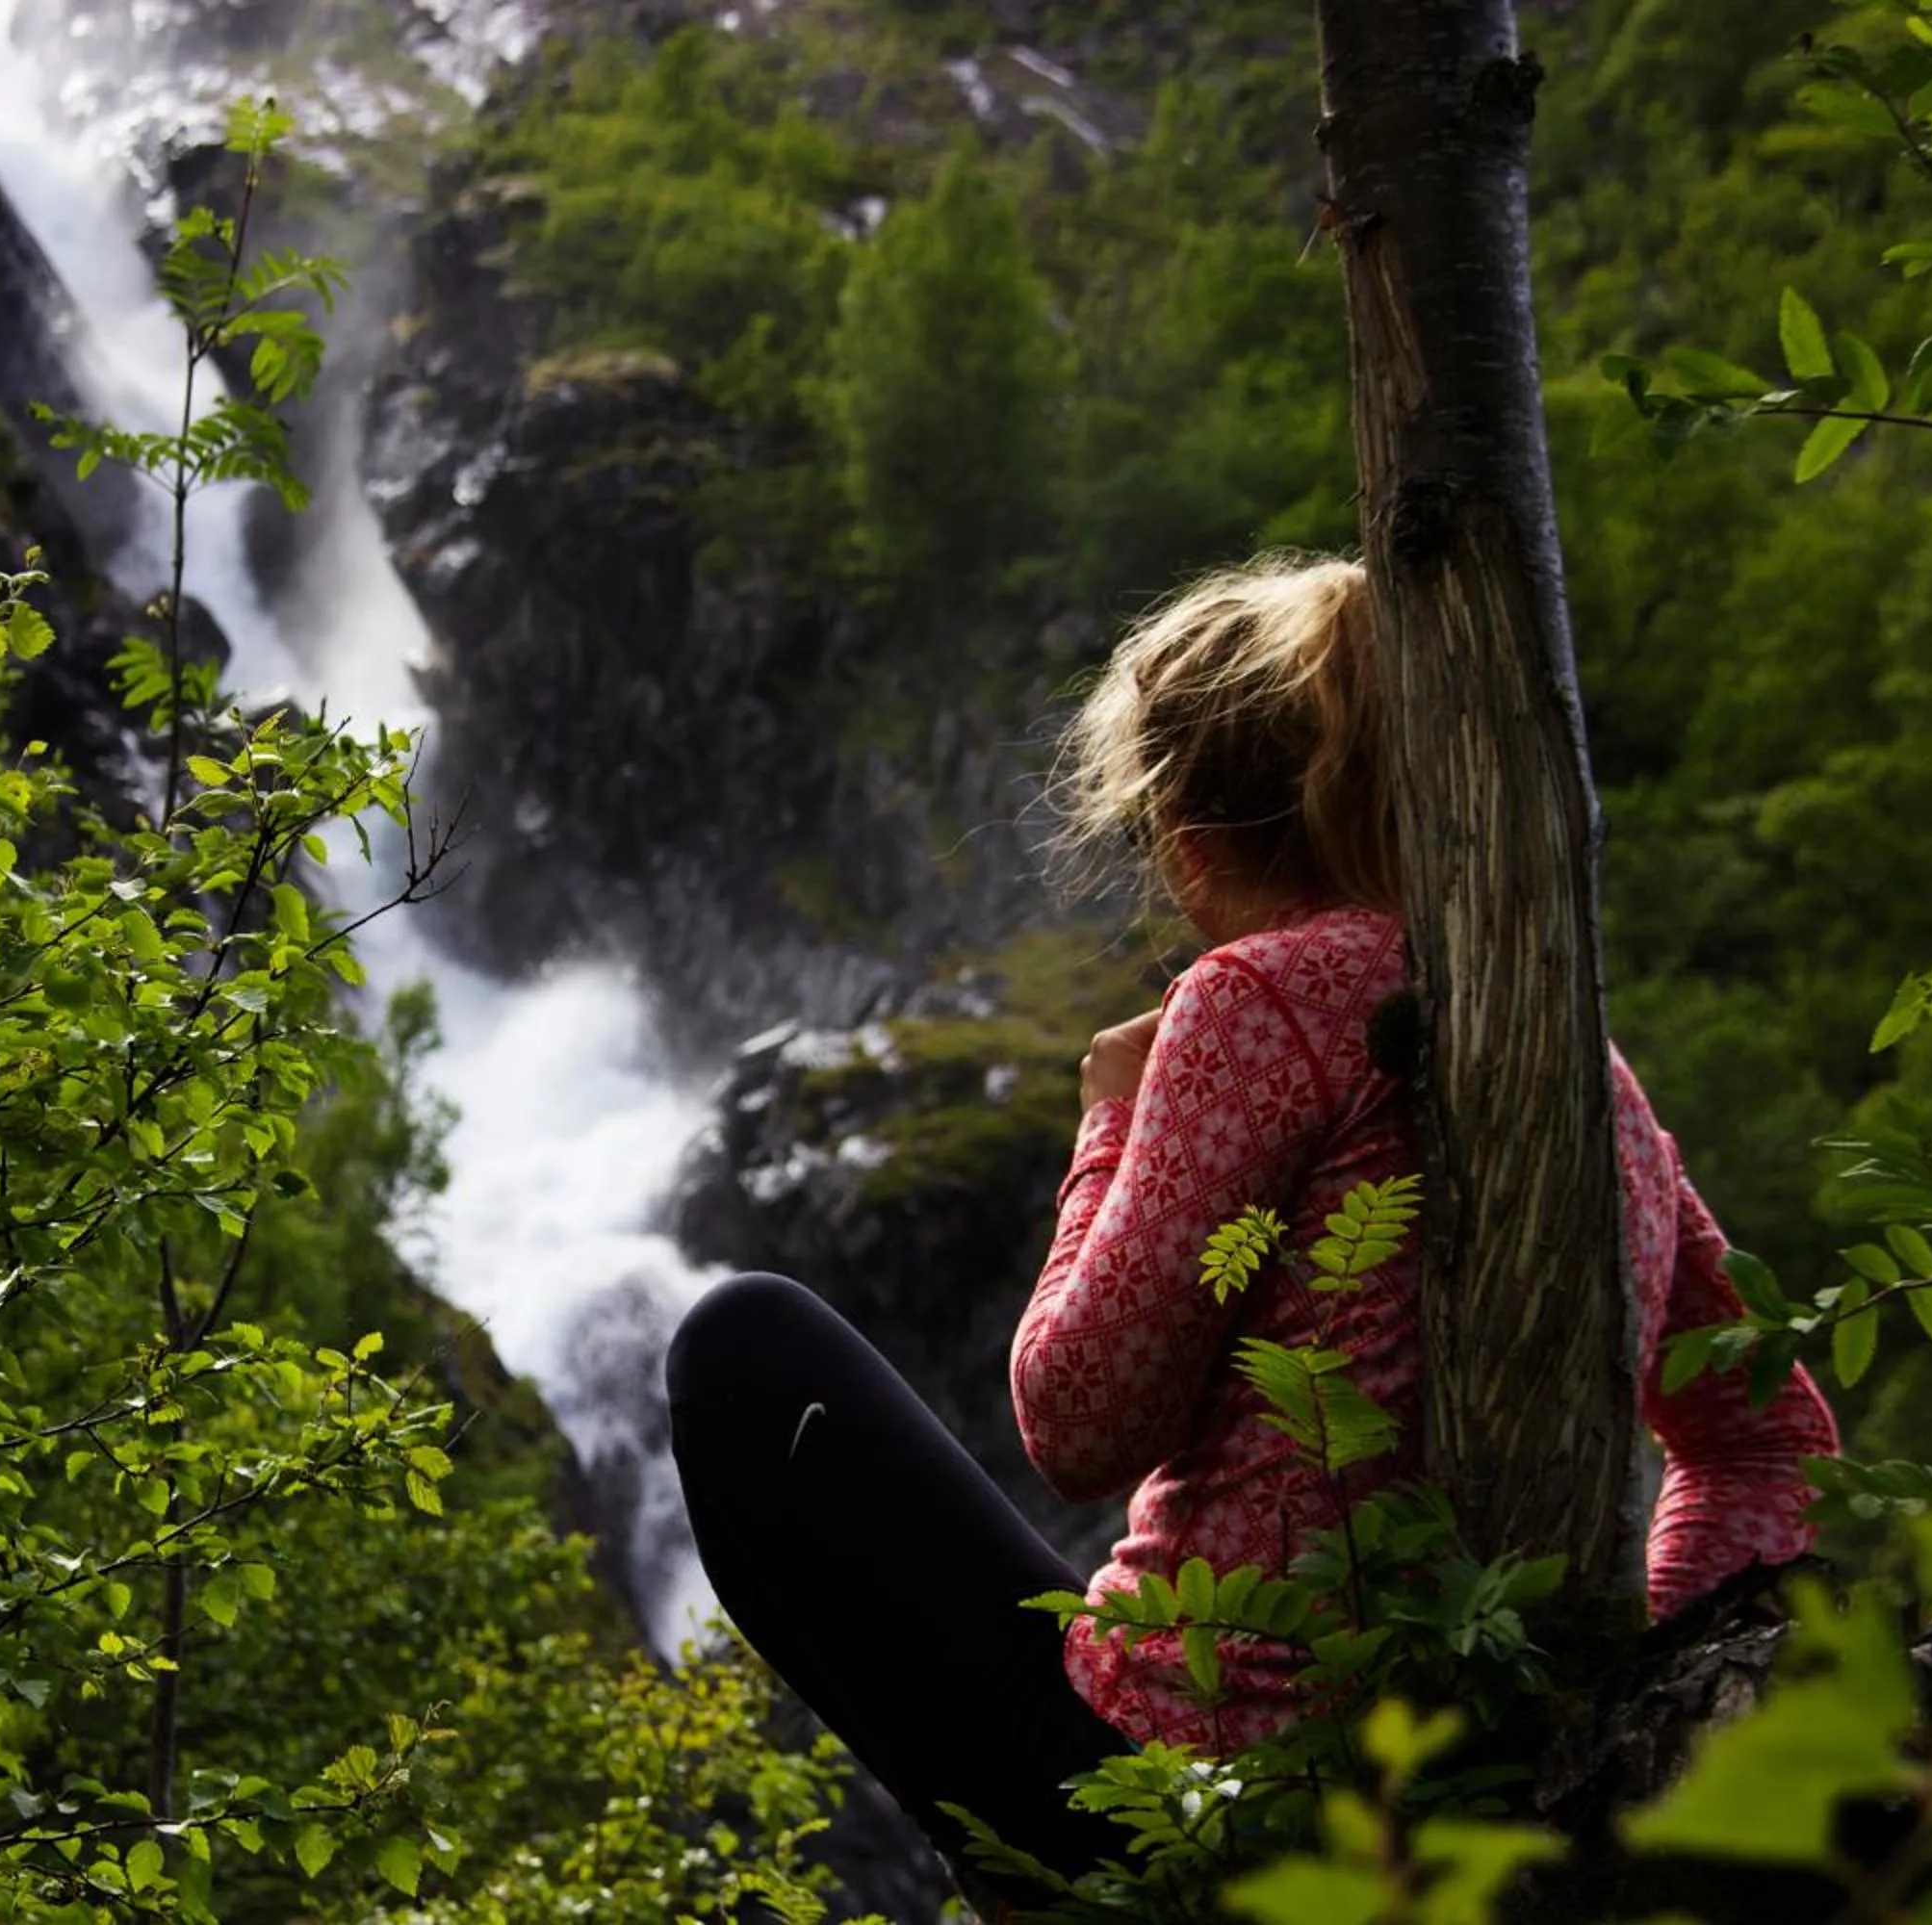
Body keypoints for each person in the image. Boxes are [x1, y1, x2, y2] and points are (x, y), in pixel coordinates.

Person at [662, 553, 1839, 1912]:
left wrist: (1105, 1121)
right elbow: (1770, 1437)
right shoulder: (1583, 1066)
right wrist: (1623, 1709)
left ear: (1186, 827)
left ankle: (1056, 1897)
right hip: (1467, 1799)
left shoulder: (1259, 1000)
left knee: (741, 1351)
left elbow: (1079, 1420)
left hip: (1192, 1784)